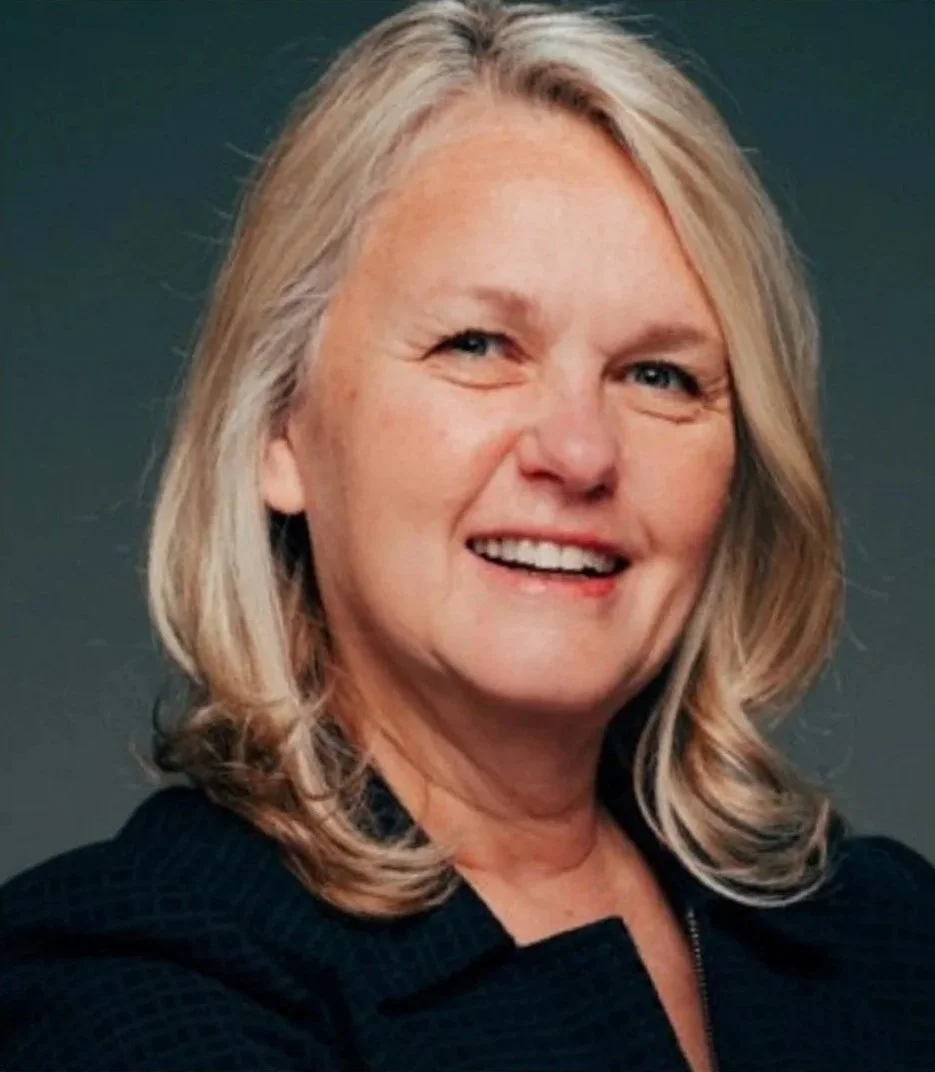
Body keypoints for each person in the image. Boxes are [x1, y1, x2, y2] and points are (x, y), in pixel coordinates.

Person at [1, 0, 933, 1069]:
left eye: (658, 374)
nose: (579, 451)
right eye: (479, 345)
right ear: (278, 427)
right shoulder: (130, 986)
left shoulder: (890, 941)